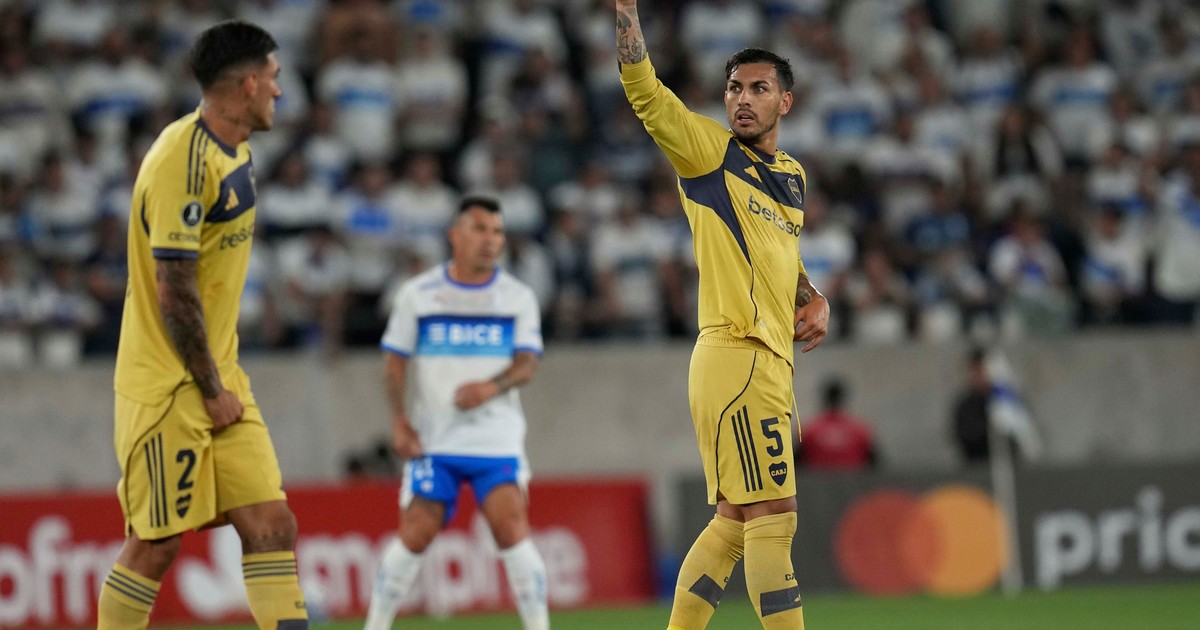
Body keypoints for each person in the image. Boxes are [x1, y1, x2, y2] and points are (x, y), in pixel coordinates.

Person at [616, 3, 830, 629]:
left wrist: (813, 296)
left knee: (734, 523)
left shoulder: (791, 176)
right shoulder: (709, 154)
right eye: (735, 87)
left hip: (764, 362)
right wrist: (626, 12)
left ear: (785, 102)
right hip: (738, 355)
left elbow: (783, 257)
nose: (742, 99)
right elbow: (645, 92)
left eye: (759, 89)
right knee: (774, 518)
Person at [97, 21, 309, 630]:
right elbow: (175, 290)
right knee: (155, 544)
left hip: (221, 374)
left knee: (272, 525)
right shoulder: (181, 161)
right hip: (170, 387)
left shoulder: (235, 149)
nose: (279, 91)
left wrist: (221, 381)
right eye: (273, 79)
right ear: (247, 85)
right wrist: (210, 389)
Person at [365, 196, 549, 630]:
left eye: (497, 232)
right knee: (416, 532)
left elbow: (527, 364)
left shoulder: (517, 297)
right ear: (455, 235)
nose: (490, 240)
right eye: (480, 229)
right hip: (435, 438)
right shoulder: (419, 294)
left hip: (495, 437)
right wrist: (399, 421)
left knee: (510, 529)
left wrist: (491, 387)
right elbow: (394, 364)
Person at [796, 377, 878, 471]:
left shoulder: (809, 431)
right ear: (843, 399)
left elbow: (796, 462)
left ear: (824, 399)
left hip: (816, 478)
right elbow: (875, 465)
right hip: (852, 478)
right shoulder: (860, 431)